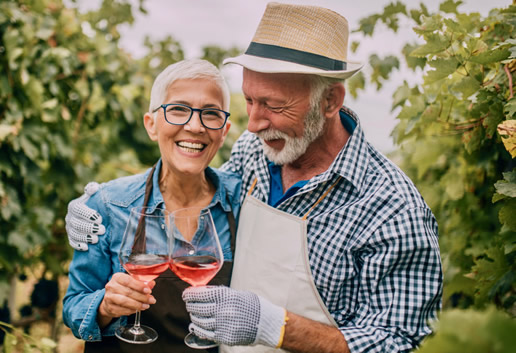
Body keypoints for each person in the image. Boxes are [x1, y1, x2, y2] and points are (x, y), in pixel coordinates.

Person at [64, 3, 443, 353]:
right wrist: (94, 202)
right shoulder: (257, 151)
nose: (255, 123)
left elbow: (395, 341)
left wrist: (275, 326)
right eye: (249, 100)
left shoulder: (392, 209)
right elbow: (197, 183)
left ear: (330, 101)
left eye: (275, 106)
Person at [62, 59, 241, 353]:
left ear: (224, 131)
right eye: (178, 110)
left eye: (211, 114)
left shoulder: (243, 201)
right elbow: (73, 307)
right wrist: (105, 307)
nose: (194, 126)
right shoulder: (106, 206)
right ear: (151, 125)